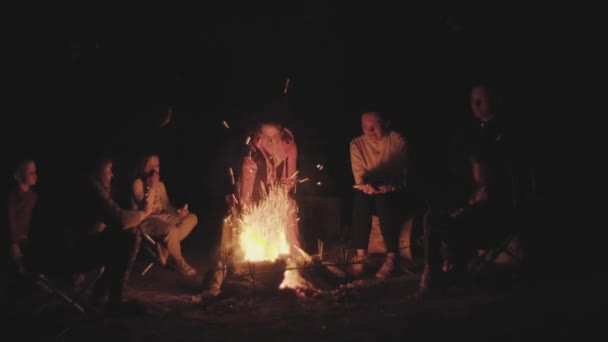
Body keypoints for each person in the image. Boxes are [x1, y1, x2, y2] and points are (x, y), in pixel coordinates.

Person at [416, 83, 515, 297]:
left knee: (450, 224)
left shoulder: (507, 131)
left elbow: (503, 176)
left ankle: (449, 272)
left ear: (495, 100)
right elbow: (461, 171)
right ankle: (432, 272)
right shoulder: (469, 134)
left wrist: (476, 196)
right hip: (470, 200)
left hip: (496, 208)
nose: (476, 105)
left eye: (481, 100)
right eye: (472, 101)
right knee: (432, 217)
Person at [53, 156, 153, 315]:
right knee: (128, 238)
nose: (112, 174)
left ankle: (102, 296)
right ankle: (114, 301)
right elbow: (119, 218)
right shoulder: (89, 186)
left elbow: (115, 217)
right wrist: (143, 213)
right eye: (109, 170)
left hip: (76, 248)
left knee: (126, 235)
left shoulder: (94, 186)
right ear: (98, 171)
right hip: (69, 254)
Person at [349, 111, 409, 279]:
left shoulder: (397, 141)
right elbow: (359, 175)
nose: (370, 131)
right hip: (370, 189)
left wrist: (385, 186)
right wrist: (366, 185)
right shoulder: (357, 144)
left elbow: (400, 174)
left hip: (394, 191)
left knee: (383, 199)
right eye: (365, 127)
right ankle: (360, 255)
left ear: (387, 124)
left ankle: (391, 256)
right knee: (361, 197)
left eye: (375, 126)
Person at [131, 153, 198, 276]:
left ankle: (164, 248)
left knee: (192, 218)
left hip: (163, 217)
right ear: (142, 167)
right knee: (171, 230)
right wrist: (151, 186)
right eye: (150, 165)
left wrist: (178, 212)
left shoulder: (160, 185)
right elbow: (145, 208)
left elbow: (167, 206)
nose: (154, 169)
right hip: (146, 219)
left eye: (156, 165)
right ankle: (179, 261)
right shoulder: (137, 184)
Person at [7, 158, 38, 275]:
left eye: (35, 172)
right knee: (18, 265)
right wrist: (13, 242)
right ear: (20, 175)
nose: (36, 176)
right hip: (13, 237)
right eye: (31, 173)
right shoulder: (13, 194)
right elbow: (10, 219)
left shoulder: (33, 196)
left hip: (25, 236)